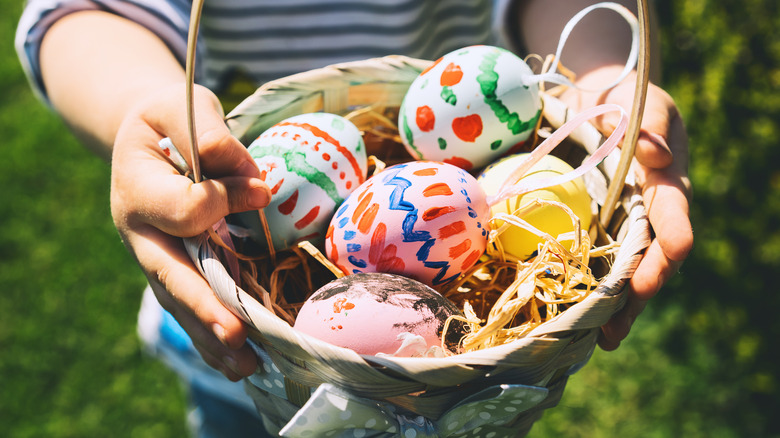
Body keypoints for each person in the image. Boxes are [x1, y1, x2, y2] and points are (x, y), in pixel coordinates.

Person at [16, 0, 693, 435]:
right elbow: (84, 13)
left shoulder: (464, 193)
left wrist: (603, 84)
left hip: (467, 386)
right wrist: (149, 107)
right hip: (251, 355)